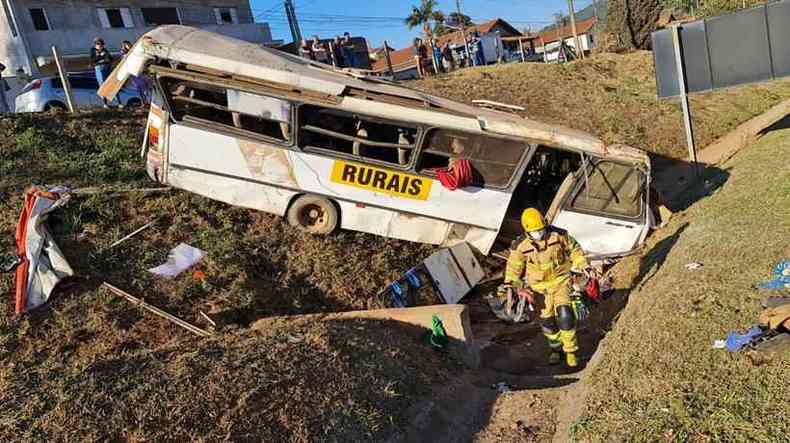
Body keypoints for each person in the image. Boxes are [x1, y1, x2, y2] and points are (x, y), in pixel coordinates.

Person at [504, 208, 594, 368]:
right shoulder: (520, 246)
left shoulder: (559, 235)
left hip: (560, 281)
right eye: (534, 231)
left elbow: (575, 251)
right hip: (538, 289)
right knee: (547, 323)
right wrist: (512, 284)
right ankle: (556, 349)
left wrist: (583, 265)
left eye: (540, 229)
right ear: (527, 231)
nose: (538, 233)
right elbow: (514, 268)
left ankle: (571, 351)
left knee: (565, 315)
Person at [90, 37, 113, 107]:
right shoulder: (93, 50)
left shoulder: (105, 50)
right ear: (96, 44)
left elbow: (110, 58)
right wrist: (101, 56)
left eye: (101, 44)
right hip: (99, 68)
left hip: (107, 67)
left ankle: (116, 102)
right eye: (98, 44)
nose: (100, 46)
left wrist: (104, 58)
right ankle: (105, 103)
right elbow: (93, 60)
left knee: (110, 83)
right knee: (102, 84)